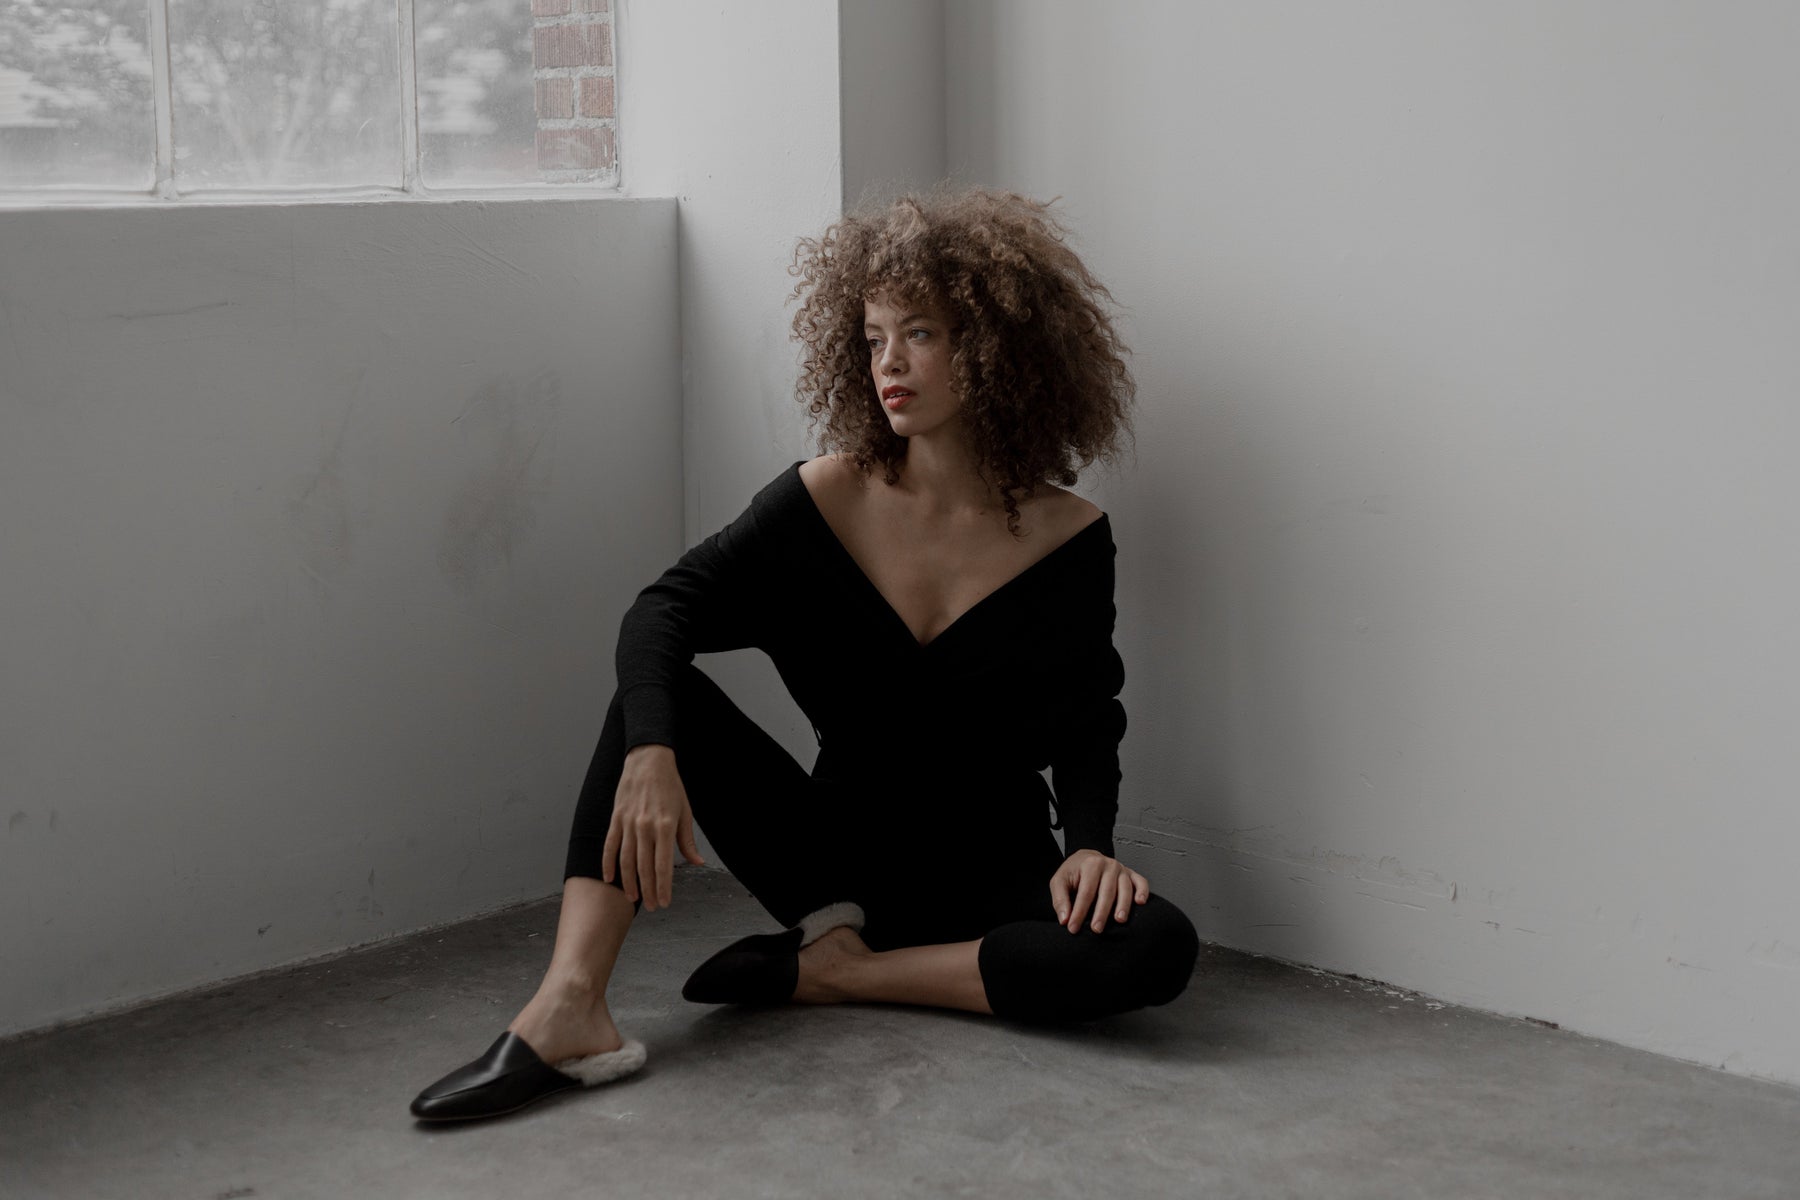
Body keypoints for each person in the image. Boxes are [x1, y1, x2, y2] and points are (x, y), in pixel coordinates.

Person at [409, 185, 1201, 1122]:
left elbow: (1087, 718)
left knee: (1156, 947)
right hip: (834, 866)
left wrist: (1092, 848)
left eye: (920, 333)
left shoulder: (1071, 537)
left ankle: (838, 976)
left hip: (995, 873)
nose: (888, 362)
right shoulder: (823, 501)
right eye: (872, 337)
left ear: (997, 346)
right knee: (654, 700)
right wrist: (654, 755)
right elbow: (663, 610)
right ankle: (569, 1004)